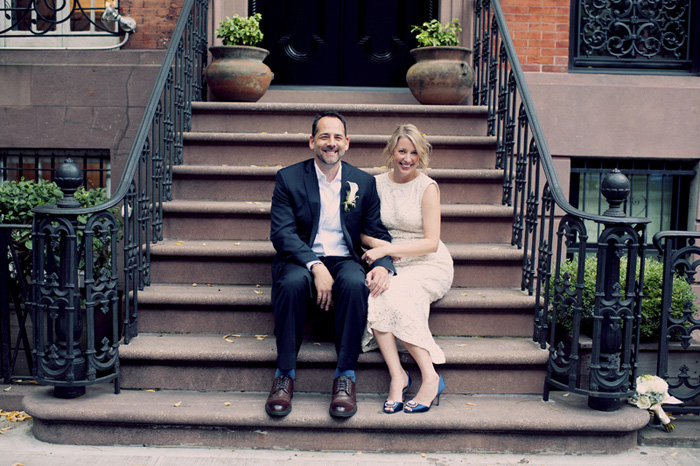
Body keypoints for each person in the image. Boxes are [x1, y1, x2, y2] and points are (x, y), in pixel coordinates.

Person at [267, 112, 395, 418]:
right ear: (312, 142)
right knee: (293, 282)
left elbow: (376, 232)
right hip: (302, 258)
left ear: (347, 143)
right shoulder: (289, 178)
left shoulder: (362, 181)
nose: (331, 143)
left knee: (354, 284)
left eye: (338, 137)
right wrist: (314, 264)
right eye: (324, 136)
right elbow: (281, 233)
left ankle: (345, 376)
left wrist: (384, 263)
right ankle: (284, 375)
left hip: (345, 258)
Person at [360, 124, 454, 414]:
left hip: (427, 262)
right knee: (377, 292)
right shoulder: (374, 184)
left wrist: (388, 250)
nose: (408, 158)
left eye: (414, 152)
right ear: (391, 151)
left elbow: (431, 242)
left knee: (395, 292)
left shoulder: (427, 187)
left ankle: (430, 377)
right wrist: (381, 252)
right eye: (402, 151)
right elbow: (362, 231)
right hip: (387, 257)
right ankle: (398, 375)